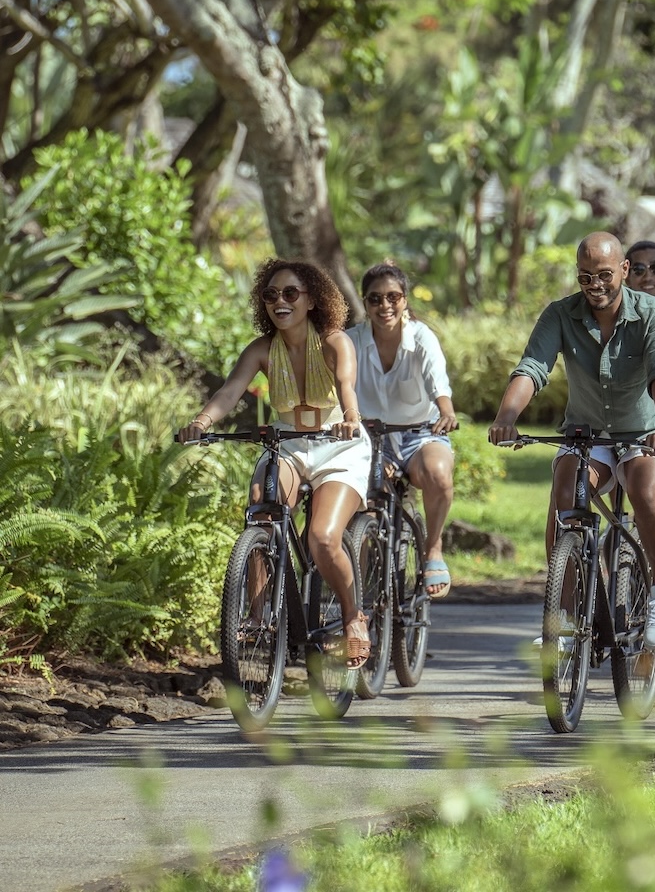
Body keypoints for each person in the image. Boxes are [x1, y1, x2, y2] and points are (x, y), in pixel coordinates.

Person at [488, 231, 655, 649]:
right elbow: (532, 368)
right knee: (565, 493)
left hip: (647, 432)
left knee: (647, 492)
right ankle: (563, 614)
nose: (596, 286)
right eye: (586, 277)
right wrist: (506, 417)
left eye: (605, 276)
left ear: (625, 271)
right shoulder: (561, 314)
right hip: (587, 434)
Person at [177, 258, 373, 666]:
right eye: (270, 295)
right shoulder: (263, 349)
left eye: (290, 294)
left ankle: (354, 617)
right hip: (288, 444)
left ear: (312, 300)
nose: (279, 302)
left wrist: (351, 419)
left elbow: (346, 385)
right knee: (262, 513)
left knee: (321, 537)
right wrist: (201, 422)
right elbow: (231, 391)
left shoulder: (335, 341)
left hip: (339, 445)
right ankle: (257, 613)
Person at [346, 263, 458, 599]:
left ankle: (433, 549)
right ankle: (357, 605)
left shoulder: (422, 337)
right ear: (365, 303)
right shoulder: (351, 342)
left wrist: (446, 411)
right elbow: (339, 391)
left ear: (405, 300)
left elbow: (438, 382)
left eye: (393, 297)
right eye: (375, 299)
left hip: (419, 434)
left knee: (438, 474)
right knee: (360, 515)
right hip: (366, 439)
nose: (385, 306)